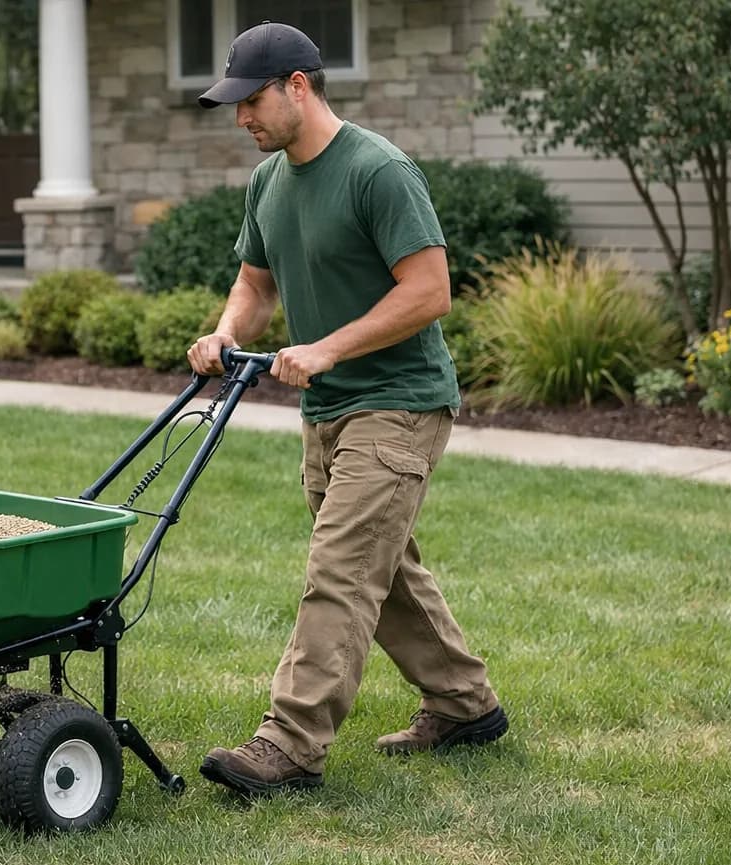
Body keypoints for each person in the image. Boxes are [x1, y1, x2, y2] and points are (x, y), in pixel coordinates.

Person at [189, 22, 507, 798]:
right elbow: (258, 285)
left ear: (298, 85)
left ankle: (290, 745)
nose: (242, 120)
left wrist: (329, 348)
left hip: (399, 403)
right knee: (382, 567)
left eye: (252, 101)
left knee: (339, 572)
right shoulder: (270, 181)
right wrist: (227, 333)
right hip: (327, 408)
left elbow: (430, 292)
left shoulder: (378, 170)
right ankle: (466, 706)